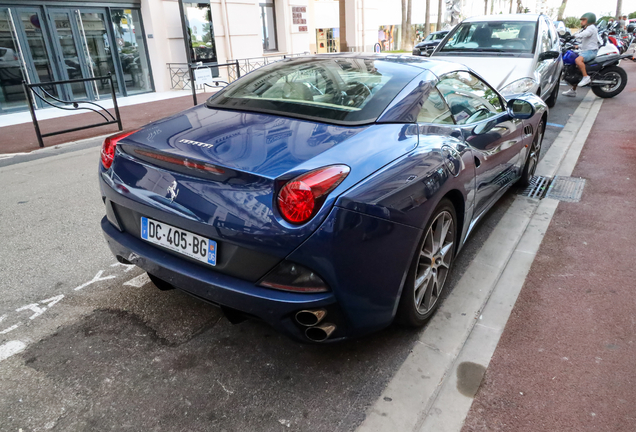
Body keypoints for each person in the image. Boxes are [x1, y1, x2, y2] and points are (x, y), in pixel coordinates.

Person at [562, 13, 599, 97]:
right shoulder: (587, 28)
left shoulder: (591, 28)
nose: (581, 22)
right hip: (586, 50)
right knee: (575, 69)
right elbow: (587, 42)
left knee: (578, 60)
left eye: (583, 20)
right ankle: (573, 90)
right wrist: (576, 46)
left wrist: (573, 36)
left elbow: (585, 34)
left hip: (591, 51)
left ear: (589, 20)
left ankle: (586, 77)